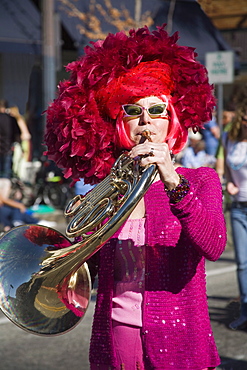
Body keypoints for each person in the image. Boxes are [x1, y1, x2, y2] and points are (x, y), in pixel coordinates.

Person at [44, 25, 227, 370]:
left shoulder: (200, 180)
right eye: (133, 111)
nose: (146, 122)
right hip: (117, 336)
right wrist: (81, 242)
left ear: (171, 120)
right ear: (120, 124)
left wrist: (172, 180)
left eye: (157, 111)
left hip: (180, 338)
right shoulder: (109, 187)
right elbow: (90, 273)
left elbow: (214, 245)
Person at [223, 96, 247, 331]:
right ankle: (244, 312)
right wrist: (229, 183)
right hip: (239, 207)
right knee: (242, 263)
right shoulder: (229, 138)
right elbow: (228, 169)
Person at [0, 99, 21, 197]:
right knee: (6, 175)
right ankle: (4, 197)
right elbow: (17, 134)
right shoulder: (10, 119)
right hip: (7, 149)